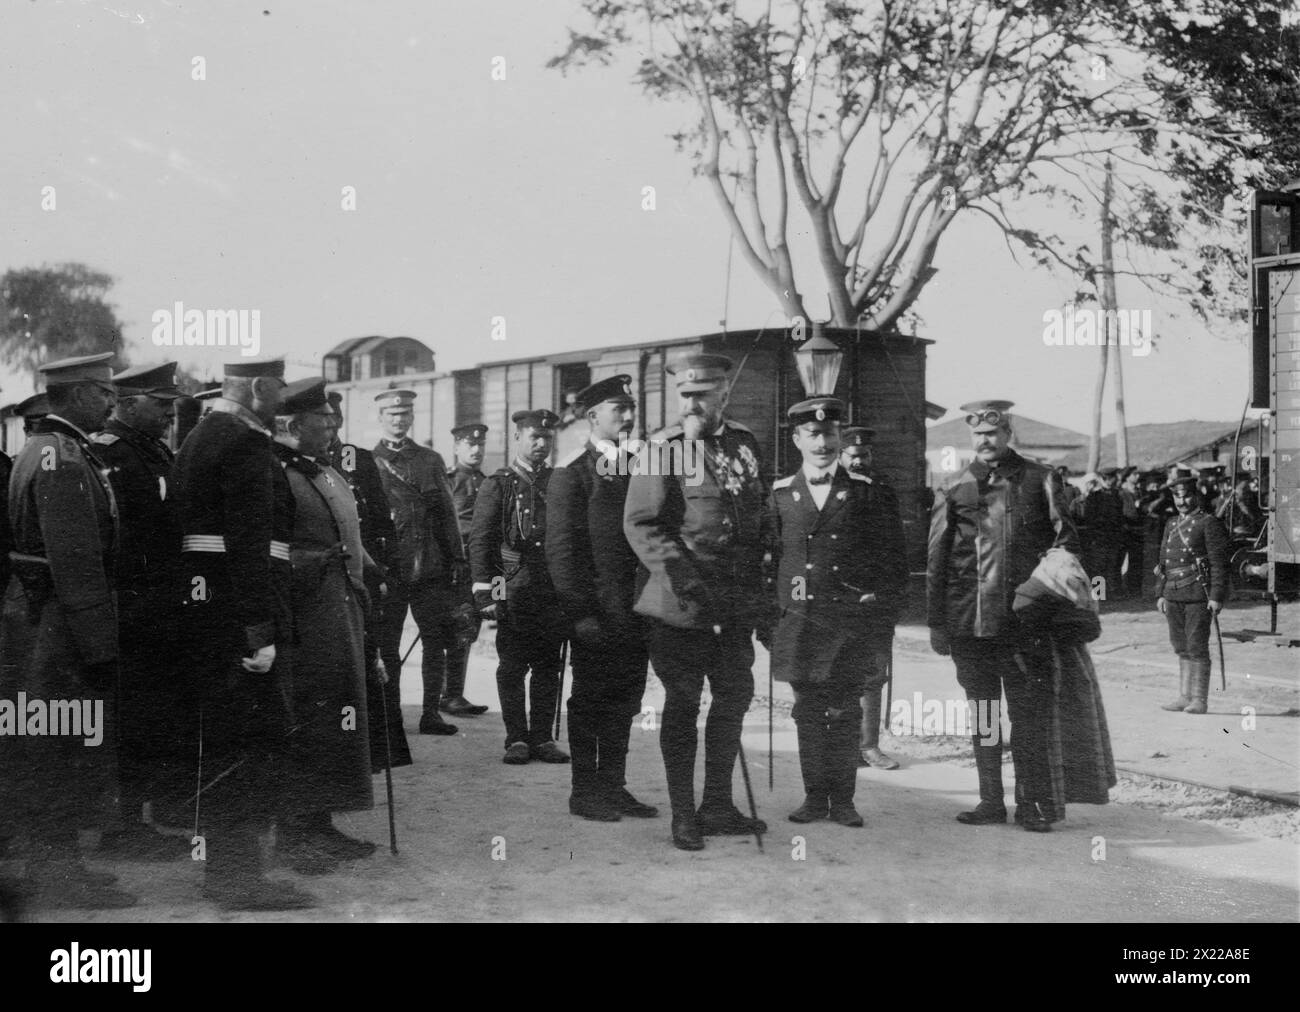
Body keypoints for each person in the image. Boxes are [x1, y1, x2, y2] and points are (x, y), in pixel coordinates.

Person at [173, 358, 315, 910]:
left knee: (223, 741)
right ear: (258, 388)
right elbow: (251, 546)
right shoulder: (245, 444)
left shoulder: (202, 435)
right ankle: (238, 880)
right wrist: (260, 631)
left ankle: (228, 872)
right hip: (238, 615)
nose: (282, 396)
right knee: (248, 744)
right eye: (277, 387)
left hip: (206, 611)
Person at [0, 353, 134, 909]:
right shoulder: (64, 457)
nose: (111, 402)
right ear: (78, 395)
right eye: (103, 393)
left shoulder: (45, 450)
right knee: (59, 749)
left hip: (46, 621)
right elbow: (77, 563)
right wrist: (101, 645)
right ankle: (59, 874)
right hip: (60, 625)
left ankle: (62, 865)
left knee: (54, 746)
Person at [624, 353, 771, 851]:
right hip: (680, 606)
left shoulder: (745, 444)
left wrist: (761, 590)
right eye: (684, 395)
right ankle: (683, 814)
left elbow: (758, 521)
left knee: (732, 701)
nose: (691, 404)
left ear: (723, 396)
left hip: (734, 607)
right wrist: (688, 582)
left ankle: (718, 806)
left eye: (701, 395)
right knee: (683, 706)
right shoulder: (661, 450)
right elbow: (642, 523)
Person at [927, 400, 1079, 833]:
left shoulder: (1040, 479)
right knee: (985, 715)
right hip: (969, 624)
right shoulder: (955, 484)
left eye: (992, 433)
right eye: (977, 435)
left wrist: (1047, 600)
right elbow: (936, 557)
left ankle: (1032, 804)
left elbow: (1066, 544)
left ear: (1007, 433)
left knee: (1028, 715)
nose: (985, 441)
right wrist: (937, 622)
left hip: (1024, 625)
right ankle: (990, 800)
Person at [770, 399, 907, 827]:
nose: (823, 442)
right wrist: (770, 618)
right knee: (808, 711)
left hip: (851, 624)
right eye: (813, 434)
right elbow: (766, 559)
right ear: (797, 439)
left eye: (831, 434)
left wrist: (879, 613)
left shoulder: (868, 491)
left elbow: (893, 563)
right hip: (801, 621)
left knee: (847, 709)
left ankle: (844, 800)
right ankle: (814, 797)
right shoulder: (779, 495)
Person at [273, 378, 377, 864]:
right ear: (293, 425)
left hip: (339, 610)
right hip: (303, 617)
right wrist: (319, 560)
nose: (334, 428)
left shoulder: (325, 471)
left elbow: (342, 530)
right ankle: (294, 835)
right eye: (324, 421)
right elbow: (269, 553)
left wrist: (366, 561)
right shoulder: (279, 474)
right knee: (308, 721)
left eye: (335, 420)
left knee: (338, 715)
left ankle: (322, 822)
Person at [90, 362, 192, 859]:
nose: (171, 415)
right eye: (162, 406)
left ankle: (145, 816)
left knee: (156, 713)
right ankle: (123, 828)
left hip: (160, 605)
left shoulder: (151, 451)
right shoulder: (110, 453)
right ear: (129, 404)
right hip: (134, 605)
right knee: (132, 717)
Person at [546, 376, 656, 822]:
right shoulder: (572, 473)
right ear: (593, 417)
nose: (628, 417)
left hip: (637, 610)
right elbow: (561, 553)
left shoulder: (640, 466)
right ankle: (585, 790)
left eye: (630, 408)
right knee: (591, 699)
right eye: (618, 409)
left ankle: (614, 785)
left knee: (626, 698)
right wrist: (581, 614)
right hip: (597, 614)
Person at [470, 409, 570, 765]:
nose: (542, 444)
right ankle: (516, 738)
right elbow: (483, 543)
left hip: (552, 590)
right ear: (518, 439)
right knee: (512, 666)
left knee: (548, 667)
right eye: (534, 437)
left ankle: (542, 738)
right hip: (513, 588)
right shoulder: (498, 484)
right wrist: (490, 595)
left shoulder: (559, 481)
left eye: (547, 438)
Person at [371, 390, 470, 737]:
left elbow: (447, 514)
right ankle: (389, 716)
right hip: (391, 568)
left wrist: (457, 559)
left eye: (404, 414)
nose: (398, 420)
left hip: (430, 566)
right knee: (388, 646)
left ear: (412, 417)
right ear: (380, 418)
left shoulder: (429, 460)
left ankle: (430, 714)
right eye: (391, 414)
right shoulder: (369, 462)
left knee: (435, 642)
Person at [324, 392, 412, 774]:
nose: (331, 428)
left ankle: (385, 745)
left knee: (383, 657)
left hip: (370, 572)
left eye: (335, 419)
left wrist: (388, 574)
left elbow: (382, 521)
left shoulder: (356, 458)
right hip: (335, 572)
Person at [838, 425, 907, 771]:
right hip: (840, 598)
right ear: (840, 456)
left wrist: (892, 593)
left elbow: (896, 545)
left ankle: (869, 746)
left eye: (864, 455)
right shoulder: (829, 490)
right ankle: (841, 748)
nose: (859, 461)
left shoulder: (883, 491)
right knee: (837, 671)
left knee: (874, 672)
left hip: (878, 596)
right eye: (853, 455)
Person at [1155, 475, 1229, 715]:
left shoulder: (1208, 523)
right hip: (1173, 593)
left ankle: (1199, 699)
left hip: (1198, 593)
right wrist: (1160, 593)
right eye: (1177, 497)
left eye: (1186, 496)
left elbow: (1218, 563)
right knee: (1180, 646)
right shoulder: (1171, 523)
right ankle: (1183, 696)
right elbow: (1163, 561)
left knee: (1196, 646)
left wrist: (1216, 595)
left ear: (1196, 495)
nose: (1182, 501)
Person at [441, 422, 491, 716]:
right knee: (454, 627)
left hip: (478, 567)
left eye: (480, 445)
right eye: (470, 444)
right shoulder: (449, 480)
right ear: (457, 447)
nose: (476, 449)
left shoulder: (487, 480)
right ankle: (445, 695)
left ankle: (454, 693)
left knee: (468, 628)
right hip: (455, 566)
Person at [1081, 466, 1124, 599]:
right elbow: (1088, 518)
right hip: (1099, 537)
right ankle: (1099, 594)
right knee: (1099, 566)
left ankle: (1112, 593)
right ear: (1107, 479)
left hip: (1114, 536)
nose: (1116, 481)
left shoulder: (1117, 495)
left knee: (1113, 565)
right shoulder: (1094, 497)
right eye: (1113, 478)